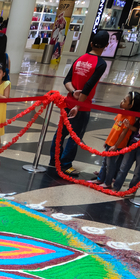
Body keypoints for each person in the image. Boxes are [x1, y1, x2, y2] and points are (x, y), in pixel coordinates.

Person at [49, 30, 110, 177]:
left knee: (60, 133)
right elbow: (89, 86)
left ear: (91, 43)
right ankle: (65, 164)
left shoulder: (80, 58)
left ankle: (54, 159)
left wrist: (74, 91)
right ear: (106, 46)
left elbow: (67, 80)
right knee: (75, 136)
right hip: (82, 106)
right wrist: (78, 105)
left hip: (69, 101)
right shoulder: (100, 64)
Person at [92, 91, 140, 187]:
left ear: (131, 105)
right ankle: (100, 179)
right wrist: (107, 141)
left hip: (117, 144)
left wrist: (115, 146)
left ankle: (107, 183)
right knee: (105, 162)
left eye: (124, 100)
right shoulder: (121, 112)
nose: (121, 101)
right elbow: (114, 128)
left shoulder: (130, 117)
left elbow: (123, 133)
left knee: (110, 165)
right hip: (110, 142)